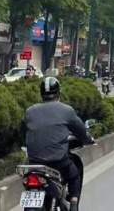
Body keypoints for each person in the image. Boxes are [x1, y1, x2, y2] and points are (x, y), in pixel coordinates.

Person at [20, 77, 93, 211]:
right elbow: (82, 133)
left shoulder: (29, 112)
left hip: (34, 163)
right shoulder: (67, 111)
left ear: (41, 94)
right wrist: (88, 139)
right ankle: (74, 205)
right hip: (58, 162)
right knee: (74, 176)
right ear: (59, 94)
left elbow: (23, 136)